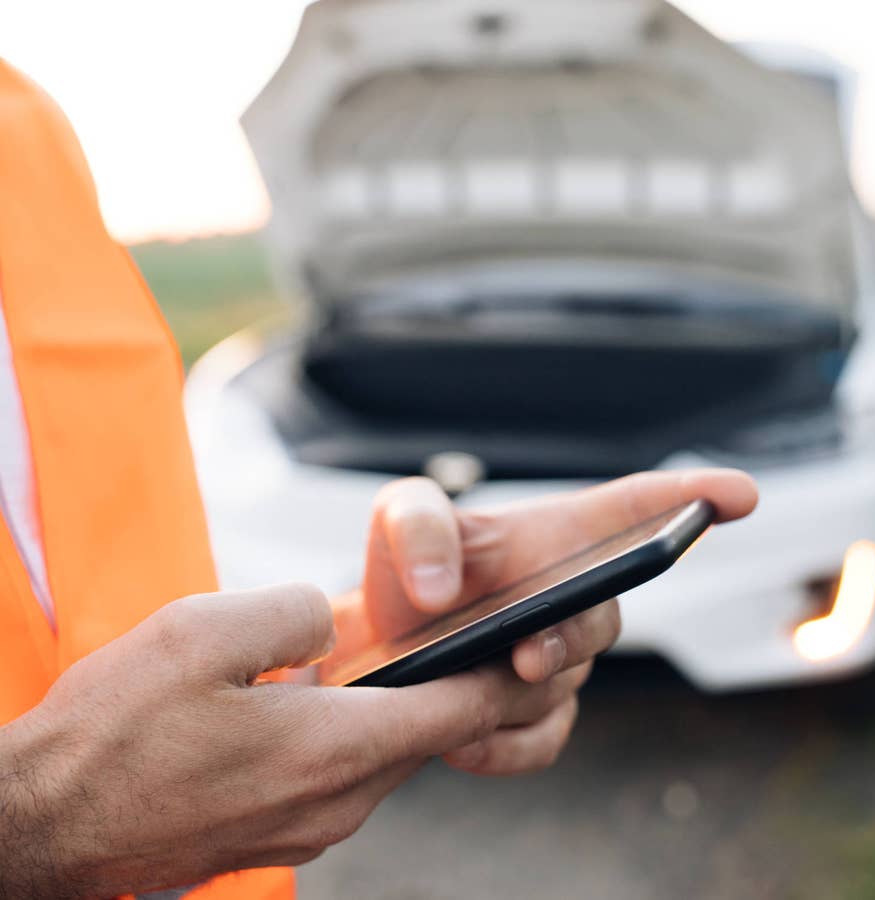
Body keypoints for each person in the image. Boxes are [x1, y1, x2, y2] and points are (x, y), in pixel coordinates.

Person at [0, 59, 758, 898]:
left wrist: (347, 653)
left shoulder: (25, 129)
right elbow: (72, 782)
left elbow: (87, 632)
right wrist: (41, 824)